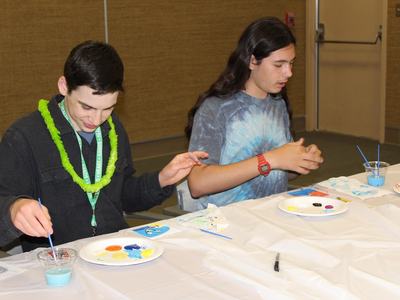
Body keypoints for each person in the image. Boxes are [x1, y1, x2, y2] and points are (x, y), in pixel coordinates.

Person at [0, 40, 208, 252]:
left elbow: (123, 196)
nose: (96, 119)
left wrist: (162, 179)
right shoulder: (25, 137)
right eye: (86, 106)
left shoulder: (112, 128)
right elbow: (3, 202)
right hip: (58, 258)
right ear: (64, 87)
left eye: (108, 108)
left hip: (112, 250)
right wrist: (14, 207)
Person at [185, 17, 323, 210]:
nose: (289, 73)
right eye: (279, 65)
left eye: (291, 63)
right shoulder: (216, 109)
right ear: (252, 61)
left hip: (272, 213)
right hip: (227, 222)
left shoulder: (277, 103)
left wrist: (299, 160)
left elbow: (277, 170)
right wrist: (271, 159)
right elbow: (198, 184)